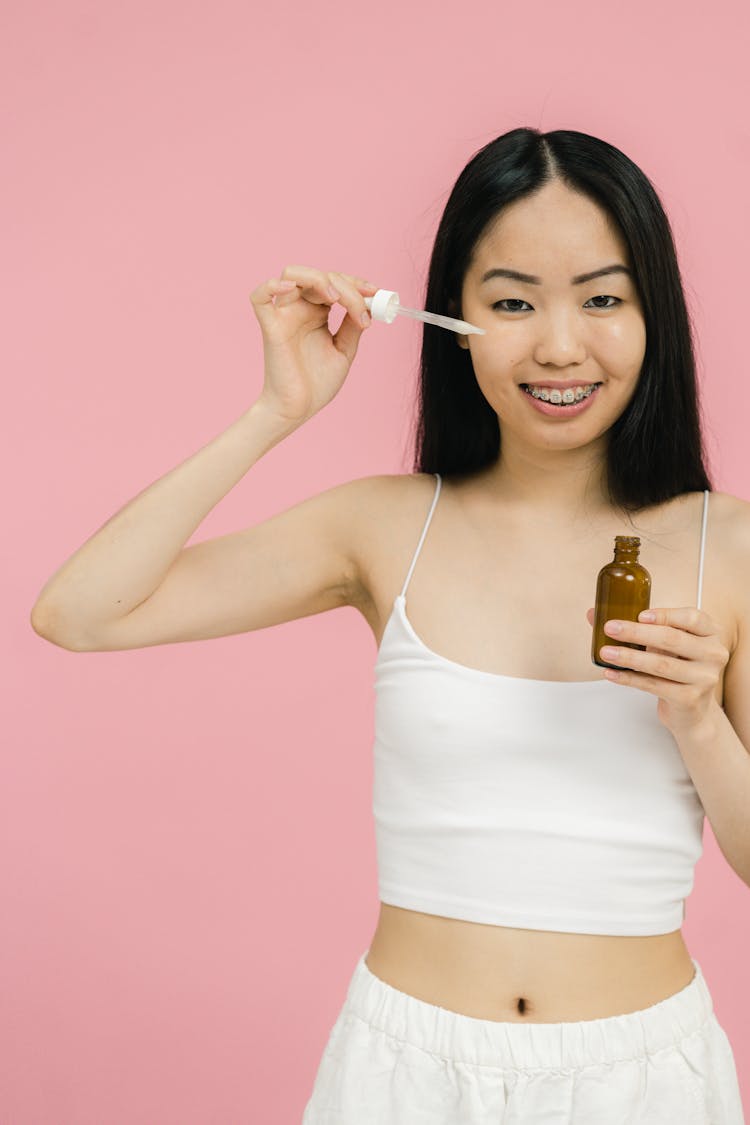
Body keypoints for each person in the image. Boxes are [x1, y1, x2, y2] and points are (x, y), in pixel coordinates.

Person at [30, 128, 747, 1122]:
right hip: (406, 1072)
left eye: (601, 297)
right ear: (453, 319)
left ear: (652, 312)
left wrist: (701, 718)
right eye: (510, 302)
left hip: (643, 1078)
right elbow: (80, 613)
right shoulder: (384, 527)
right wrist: (277, 411)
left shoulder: (732, 549)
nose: (557, 345)